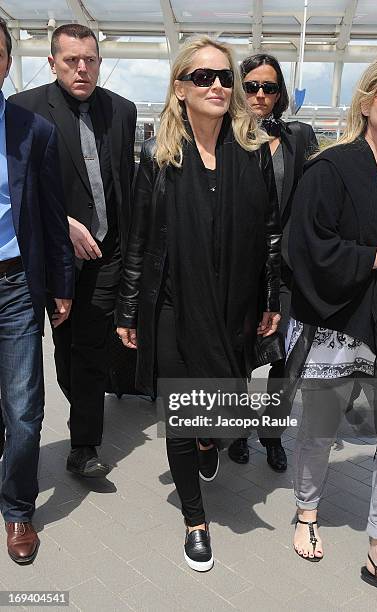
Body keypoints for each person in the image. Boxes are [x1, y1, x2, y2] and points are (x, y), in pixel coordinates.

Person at [116, 35, 281, 572]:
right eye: (203, 77)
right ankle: (195, 519)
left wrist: (271, 297)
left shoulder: (253, 154)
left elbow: (270, 234)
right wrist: (128, 309)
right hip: (171, 306)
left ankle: (212, 443)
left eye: (223, 77)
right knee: (183, 417)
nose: (216, 85)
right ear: (180, 88)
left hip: (233, 306)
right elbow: (139, 239)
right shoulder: (159, 153)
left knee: (219, 413)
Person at [286, 52, 377, 610]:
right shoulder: (330, 169)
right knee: (318, 429)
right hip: (341, 322)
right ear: (367, 103)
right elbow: (305, 248)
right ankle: (307, 510)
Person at [10, 24, 137, 478]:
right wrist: (62, 222)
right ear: (52, 62)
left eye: (90, 60)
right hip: (44, 256)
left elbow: (125, 182)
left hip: (105, 256)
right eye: (71, 61)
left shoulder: (122, 111)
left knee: (88, 352)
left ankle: (83, 447)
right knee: (60, 355)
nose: (82, 69)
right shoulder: (23, 109)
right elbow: (18, 187)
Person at [0, 18, 74, 563]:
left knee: (25, 411)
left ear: (7, 62)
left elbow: (52, 217)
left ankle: (19, 511)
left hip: (16, 287)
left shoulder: (33, 130)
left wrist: (61, 286)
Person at [228, 53, 318, 471]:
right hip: (241, 267)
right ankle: (238, 430)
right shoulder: (226, 135)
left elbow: (320, 193)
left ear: (280, 93)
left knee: (286, 360)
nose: (260, 95)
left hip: (289, 268)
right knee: (240, 354)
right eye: (251, 86)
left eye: (269, 87)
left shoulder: (299, 136)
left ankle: (272, 434)